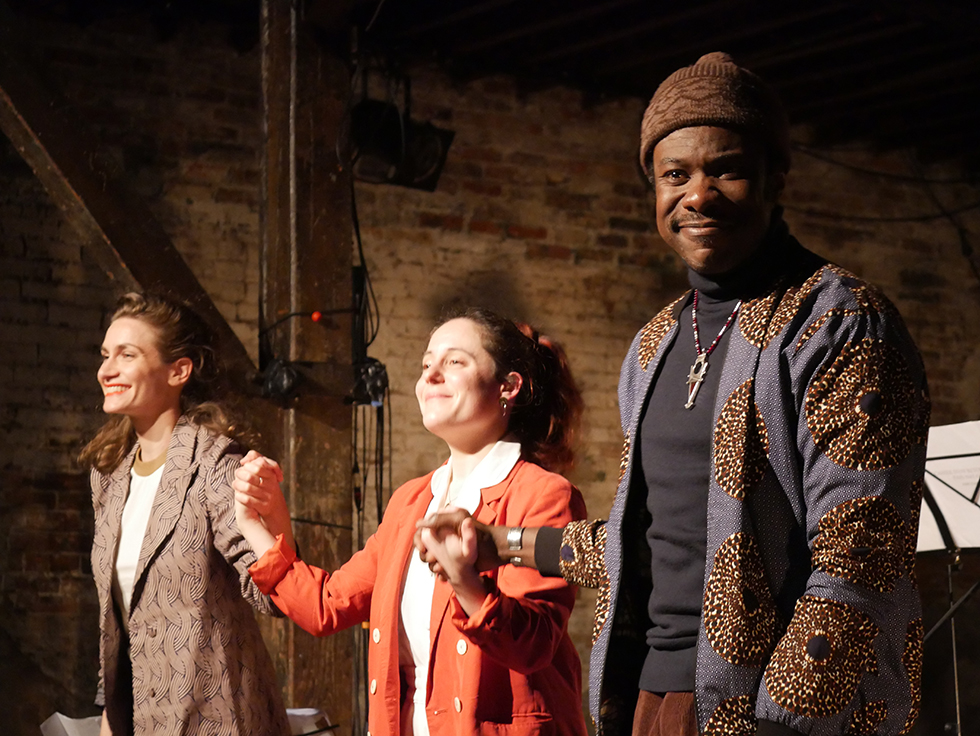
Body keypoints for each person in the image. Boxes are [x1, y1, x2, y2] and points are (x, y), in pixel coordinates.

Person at [417, 53, 930, 736]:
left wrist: (779, 721)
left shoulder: (840, 323)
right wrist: (498, 543)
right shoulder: (654, 343)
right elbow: (644, 540)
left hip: (772, 712)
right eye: (675, 175)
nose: (698, 195)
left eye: (727, 170)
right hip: (653, 698)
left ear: (775, 178)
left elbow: (860, 556)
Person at [233, 308, 589, 736]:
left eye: (454, 361)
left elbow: (533, 646)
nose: (431, 376)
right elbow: (326, 606)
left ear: (508, 387)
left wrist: (466, 582)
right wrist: (255, 522)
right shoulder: (412, 501)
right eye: (425, 364)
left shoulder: (544, 494)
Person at [79, 292, 290, 736]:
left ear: (179, 371)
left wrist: (273, 518)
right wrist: (109, 718)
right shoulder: (110, 475)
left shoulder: (215, 465)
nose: (106, 370)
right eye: (105, 355)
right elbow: (119, 621)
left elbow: (272, 596)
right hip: (140, 721)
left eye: (127, 355)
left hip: (216, 719)